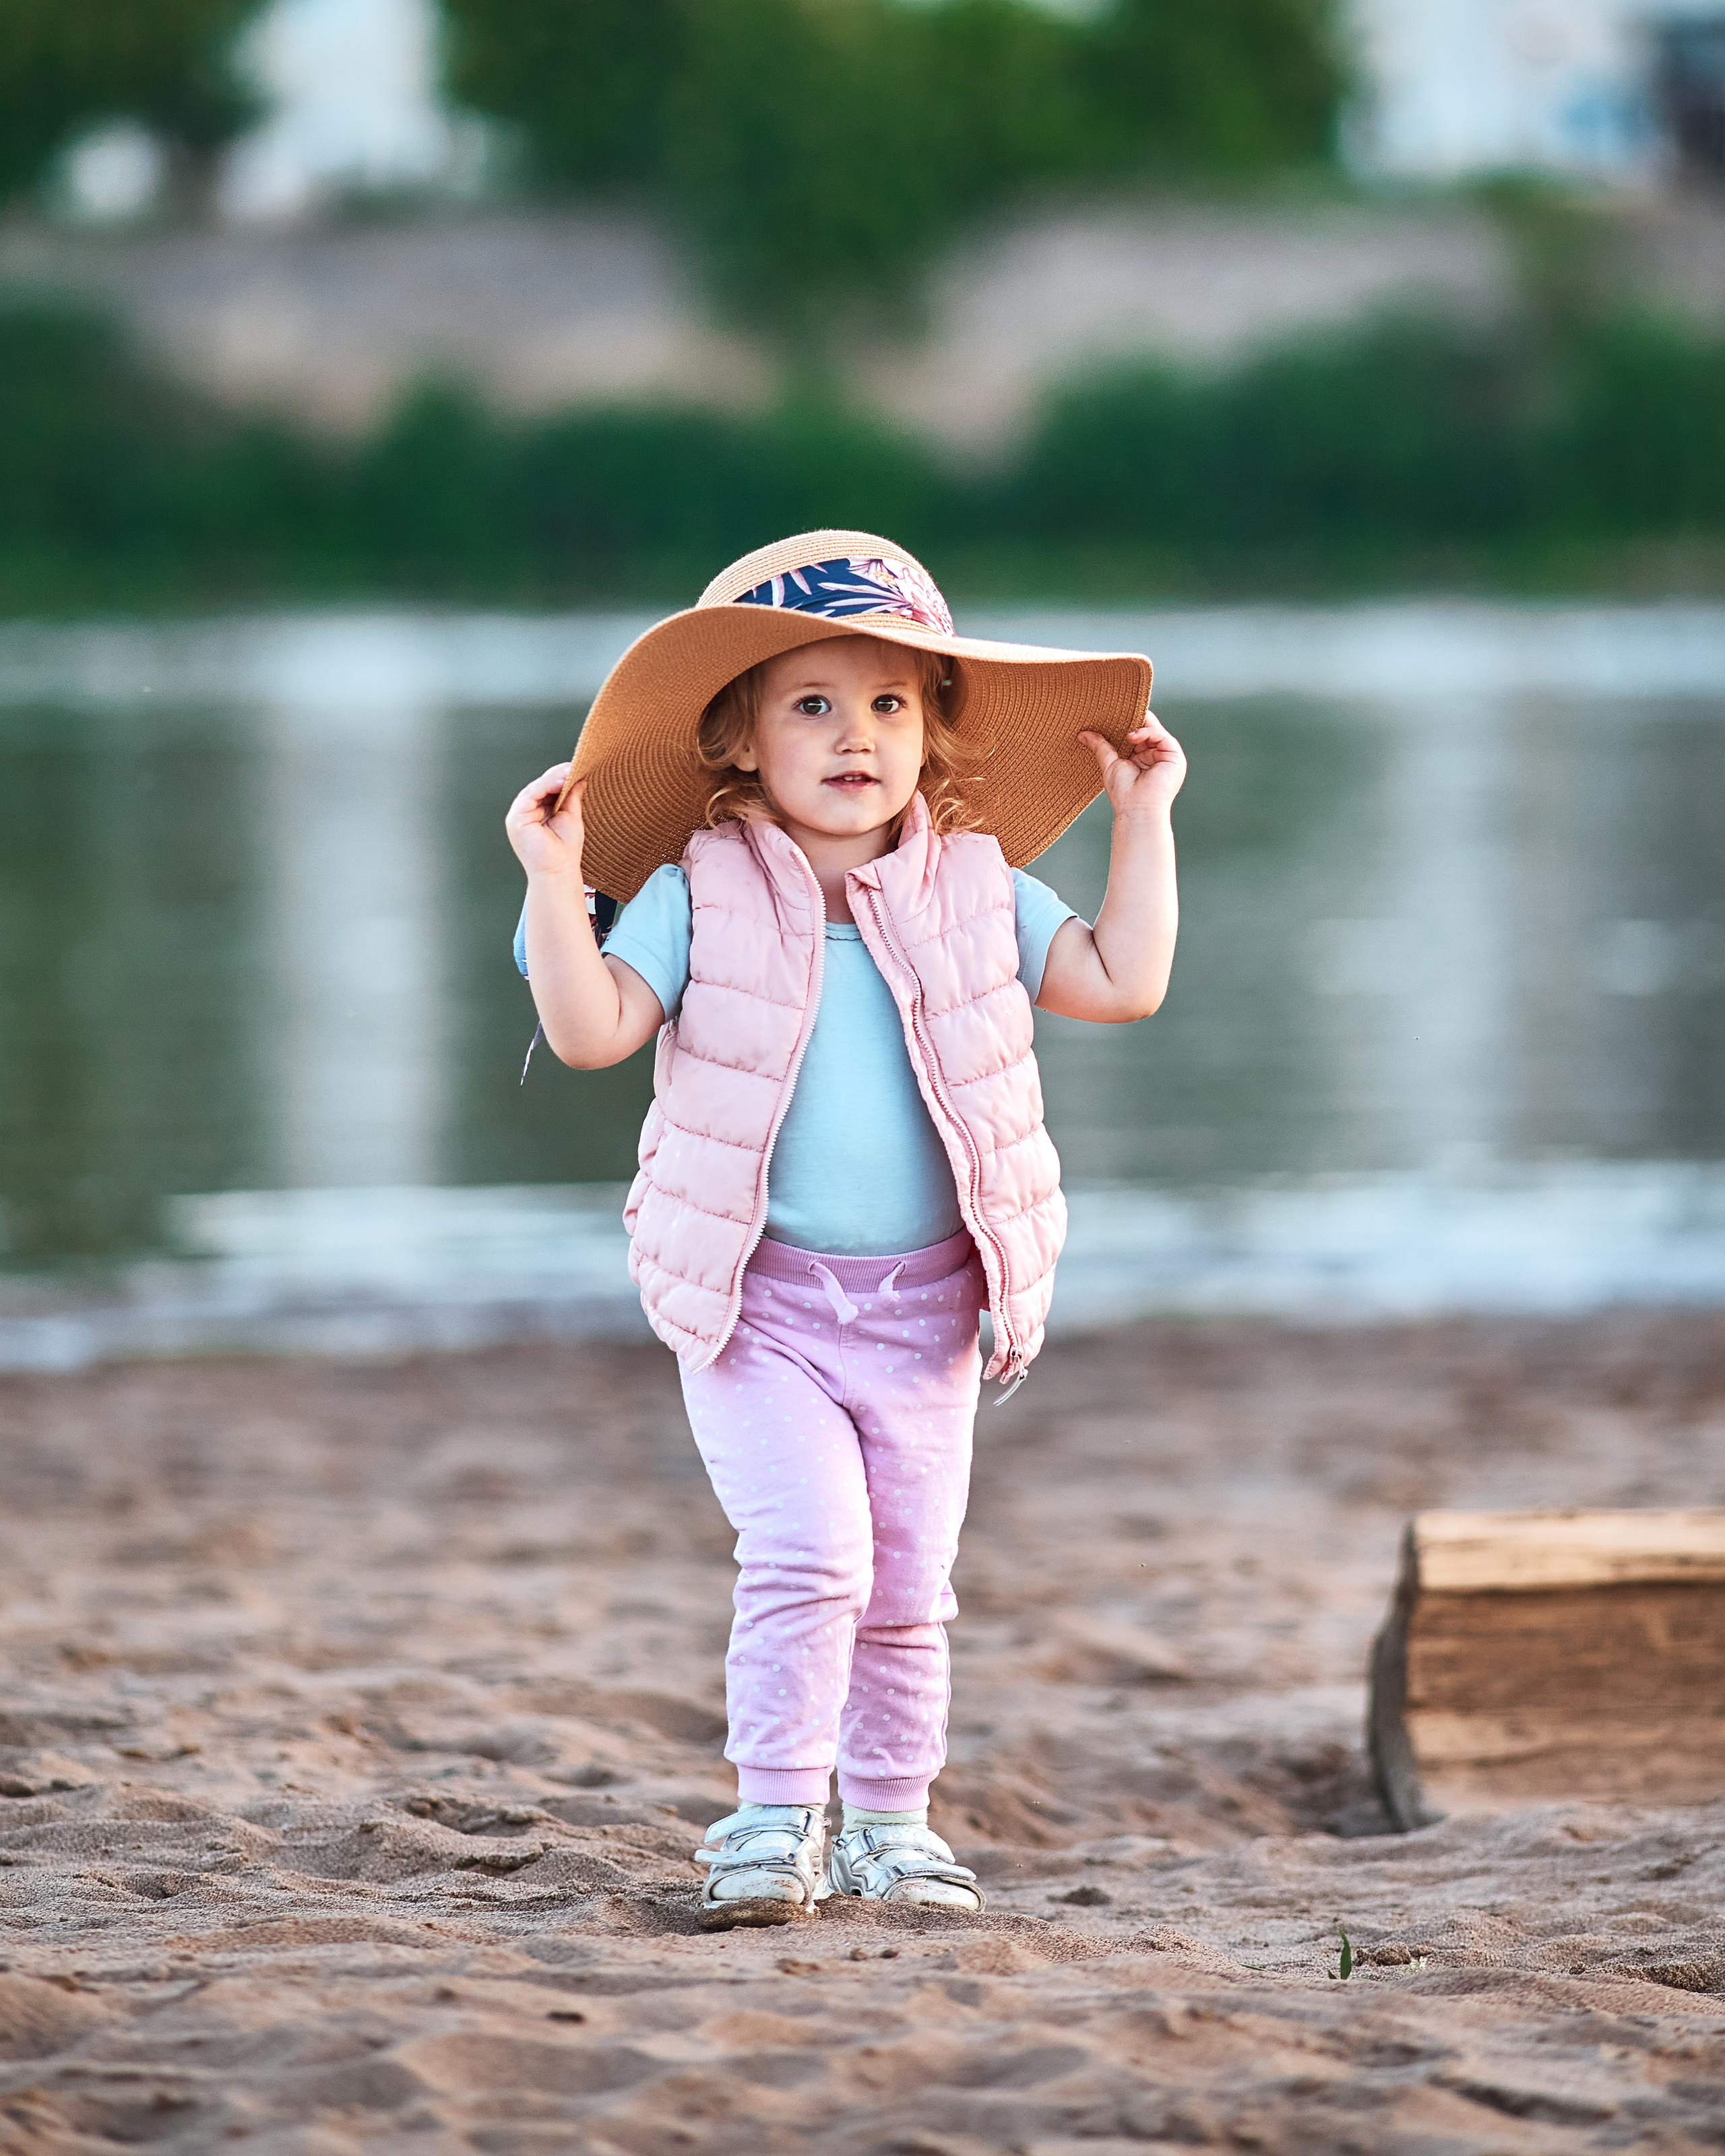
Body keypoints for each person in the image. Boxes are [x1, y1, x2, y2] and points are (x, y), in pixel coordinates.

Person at [505, 532, 1183, 1930]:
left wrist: (1145, 818)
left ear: (932, 735)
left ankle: (888, 1824)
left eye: (886, 704)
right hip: (758, 1305)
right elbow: (587, 1032)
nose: (852, 734)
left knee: (907, 1582)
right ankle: (768, 1817)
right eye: (808, 702)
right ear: (738, 740)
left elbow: (1121, 983)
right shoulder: (699, 889)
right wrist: (546, 875)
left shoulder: (980, 886)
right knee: (811, 1551)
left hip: (930, 1307)